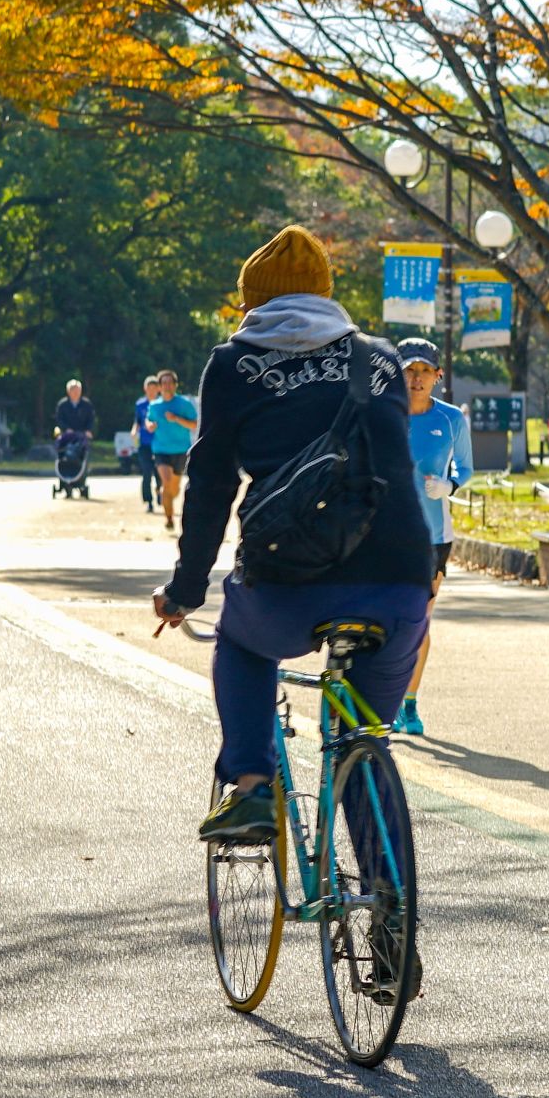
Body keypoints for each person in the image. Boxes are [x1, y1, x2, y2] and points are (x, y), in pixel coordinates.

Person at [147, 226, 435, 843]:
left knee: (243, 647)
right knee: (363, 740)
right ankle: (388, 917)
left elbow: (211, 486)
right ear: (327, 296)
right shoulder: (379, 357)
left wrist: (186, 591)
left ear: (253, 302)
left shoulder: (231, 366)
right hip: (399, 578)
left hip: (289, 576)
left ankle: (252, 788)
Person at [392, 337, 470, 736]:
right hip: (385, 533)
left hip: (433, 537)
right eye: (408, 369)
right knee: (385, 618)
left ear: (438, 376)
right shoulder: (383, 413)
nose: (415, 378)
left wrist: (449, 485)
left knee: (419, 621)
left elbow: (466, 470)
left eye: (424, 371)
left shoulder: (452, 419)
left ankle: (409, 704)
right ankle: (380, 696)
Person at [145, 368, 198, 533]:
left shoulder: (184, 404)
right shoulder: (154, 406)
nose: (167, 386)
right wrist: (150, 426)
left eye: (170, 382)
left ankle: (166, 496)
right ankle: (169, 518)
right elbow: (148, 421)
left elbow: (194, 425)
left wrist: (176, 419)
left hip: (180, 450)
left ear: (175, 385)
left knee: (174, 489)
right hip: (161, 450)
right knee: (167, 481)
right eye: (164, 383)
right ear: (159, 386)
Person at [133, 375, 161, 513]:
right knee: (146, 472)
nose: (151, 391)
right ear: (145, 389)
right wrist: (134, 431)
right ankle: (149, 501)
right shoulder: (140, 404)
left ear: (158, 389)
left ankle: (160, 492)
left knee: (160, 473)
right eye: (149, 388)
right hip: (144, 443)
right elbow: (137, 421)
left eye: (154, 388)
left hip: (160, 444)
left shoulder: (162, 404)